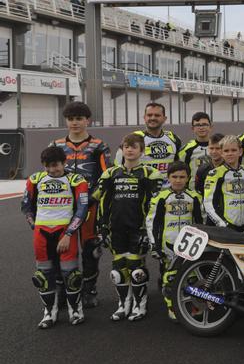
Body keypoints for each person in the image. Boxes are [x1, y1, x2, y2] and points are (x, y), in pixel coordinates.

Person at [94, 134, 164, 321]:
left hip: (138, 229)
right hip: (115, 228)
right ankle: (123, 304)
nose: (130, 149)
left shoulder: (151, 174)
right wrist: (102, 227)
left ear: (142, 150)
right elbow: (100, 200)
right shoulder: (110, 173)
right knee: (117, 270)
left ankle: (140, 305)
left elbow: (155, 204)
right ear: (122, 149)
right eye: (126, 146)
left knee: (136, 269)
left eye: (134, 146)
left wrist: (149, 231)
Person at [49, 101, 111, 308]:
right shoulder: (56, 146)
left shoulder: (99, 146)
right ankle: (63, 288)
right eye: (71, 119)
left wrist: (93, 198)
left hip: (91, 207)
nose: (74, 123)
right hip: (61, 207)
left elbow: (107, 177)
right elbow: (46, 176)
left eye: (79, 118)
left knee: (91, 250)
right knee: (60, 248)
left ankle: (89, 289)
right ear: (66, 121)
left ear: (87, 121)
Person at [22, 147, 90, 328]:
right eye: (48, 166)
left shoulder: (76, 180)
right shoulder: (35, 180)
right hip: (41, 234)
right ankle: (49, 313)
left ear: (64, 163)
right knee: (43, 276)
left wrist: (68, 233)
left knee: (72, 275)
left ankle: (75, 310)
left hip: (65, 232)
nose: (52, 170)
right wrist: (34, 226)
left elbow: (82, 210)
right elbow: (26, 206)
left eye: (56, 165)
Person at [145, 161, 203, 321]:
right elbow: (152, 222)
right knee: (169, 277)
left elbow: (200, 223)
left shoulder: (194, 197)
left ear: (188, 178)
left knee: (190, 277)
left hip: (189, 244)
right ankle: (172, 306)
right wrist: (154, 245)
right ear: (168, 177)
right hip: (167, 245)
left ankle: (191, 305)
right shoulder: (161, 197)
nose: (178, 180)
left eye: (182, 177)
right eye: (174, 176)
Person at [203, 135, 244, 232]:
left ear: (240, 151)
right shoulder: (215, 174)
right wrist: (222, 224)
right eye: (226, 151)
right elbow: (208, 203)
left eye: (233, 150)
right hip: (226, 228)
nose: (230, 153)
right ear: (221, 153)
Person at [117, 103, 182, 180]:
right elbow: (117, 167)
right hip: (141, 189)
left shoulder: (174, 138)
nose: (153, 118)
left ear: (164, 118)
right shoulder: (133, 138)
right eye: (149, 115)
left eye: (157, 115)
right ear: (144, 118)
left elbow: (180, 166)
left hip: (166, 190)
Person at [178, 112, 213, 191]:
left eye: (204, 124)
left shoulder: (220, 147)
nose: (201, 127)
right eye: (197, 125)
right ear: (192, 129)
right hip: (194, 193)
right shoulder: (186, 150)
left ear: (210, 127)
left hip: (215, 191)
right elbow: (181, 173)